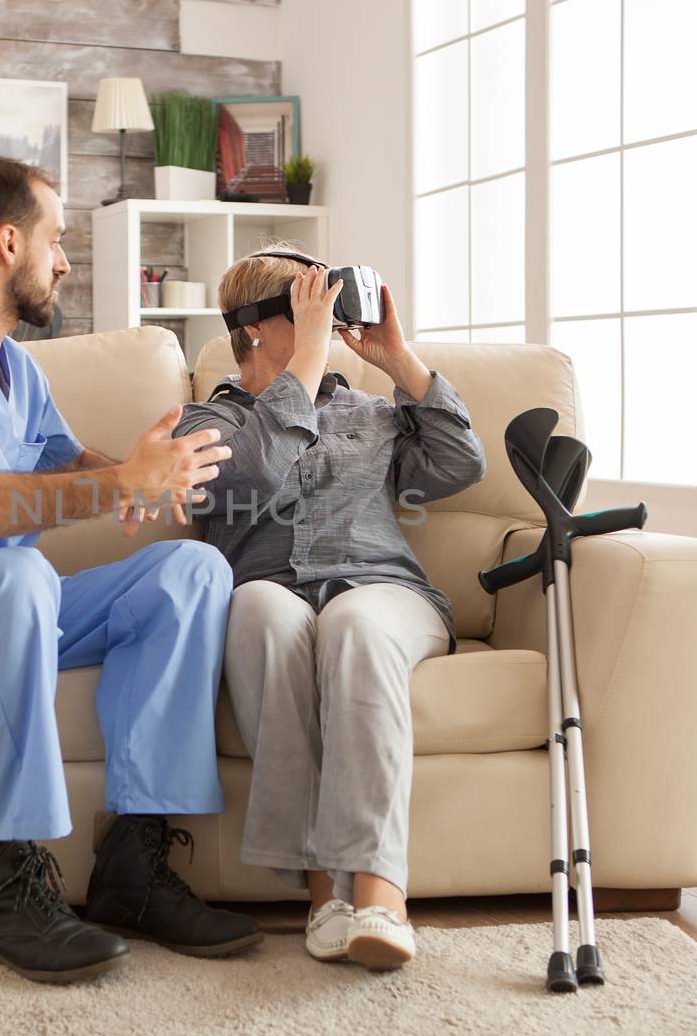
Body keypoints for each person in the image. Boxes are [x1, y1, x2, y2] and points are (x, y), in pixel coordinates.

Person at [0, 156, 260, 984]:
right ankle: (7, 882)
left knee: (190, 573)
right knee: (19, 578)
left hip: (9, 614)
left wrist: (144, 469)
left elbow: (74, 465)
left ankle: (134, 866)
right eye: (57, 241)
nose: (63, 261)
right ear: (8, 241)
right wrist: (112, 484)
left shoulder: (17, 370)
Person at [174, 251, 486, 971]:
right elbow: (251, 470)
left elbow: (460, 464)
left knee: (353, 624)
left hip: (382, 591)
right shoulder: (208, 418)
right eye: (308, 304)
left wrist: (399, 359)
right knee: (255, 609)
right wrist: (306, 363)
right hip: (270, 588)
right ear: (253, 329)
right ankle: (325, 896)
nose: (325, 317)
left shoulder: (372, 412)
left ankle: (379, 897)